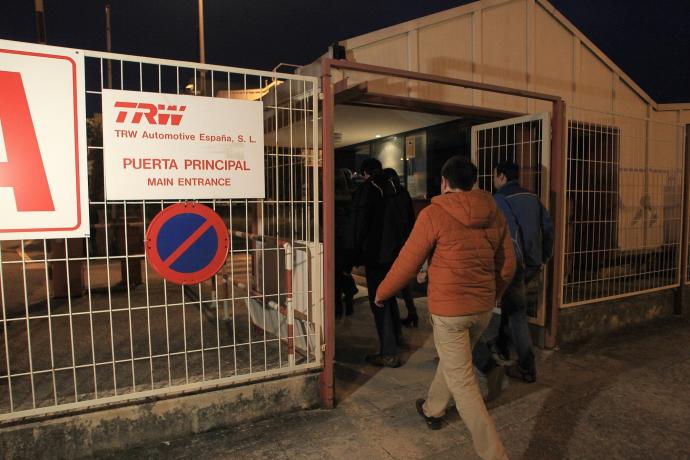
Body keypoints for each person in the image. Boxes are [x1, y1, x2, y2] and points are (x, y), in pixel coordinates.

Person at [375, 155, 515, 460]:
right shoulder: (493, 212)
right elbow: (508, 264)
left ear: (443, 182)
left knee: (464, 383)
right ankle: (433, 409)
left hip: (449, 311)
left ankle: (495, 455)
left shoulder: (433, 214)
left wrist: (383, 292)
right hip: (481, 309)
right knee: (456, 364)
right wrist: (494, 294)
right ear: (473, 182)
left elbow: (408, 261)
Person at [489, 161, 554, 383]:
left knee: (516, 314)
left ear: (502, 177)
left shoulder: (500, 199)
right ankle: (501, 345)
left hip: (515, 264)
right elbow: (547, 229)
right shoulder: (532, 198)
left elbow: (510, 234)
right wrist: (543, 257)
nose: (494, 180)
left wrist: (511, 265)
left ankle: (527, 367)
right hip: (533, 263)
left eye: (494, 176)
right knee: (512, 306)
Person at [347, 158, 404, 368]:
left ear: (366, 173)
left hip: (377, 254)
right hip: (399, 254)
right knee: (390, 296)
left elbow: (359, 225)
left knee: (379, 300)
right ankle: (397, 338)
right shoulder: (399, 189)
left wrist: (353, 254)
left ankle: (388, 352)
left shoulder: (368, 191)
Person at [382, 168, 419, 328]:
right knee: (403, 280)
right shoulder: (404, 193)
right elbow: (411, 218)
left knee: (391, 279)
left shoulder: (387, 196)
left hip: (390, 243)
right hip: (404, 241)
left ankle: (396, 320)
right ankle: (412, 313)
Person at [334, 168, 357, 318]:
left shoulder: (330, 199)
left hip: (335, 240)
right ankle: (349, 300)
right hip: (349, 242)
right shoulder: (352, 197)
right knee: (345, 273)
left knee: (335, 275)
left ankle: (337, 308)